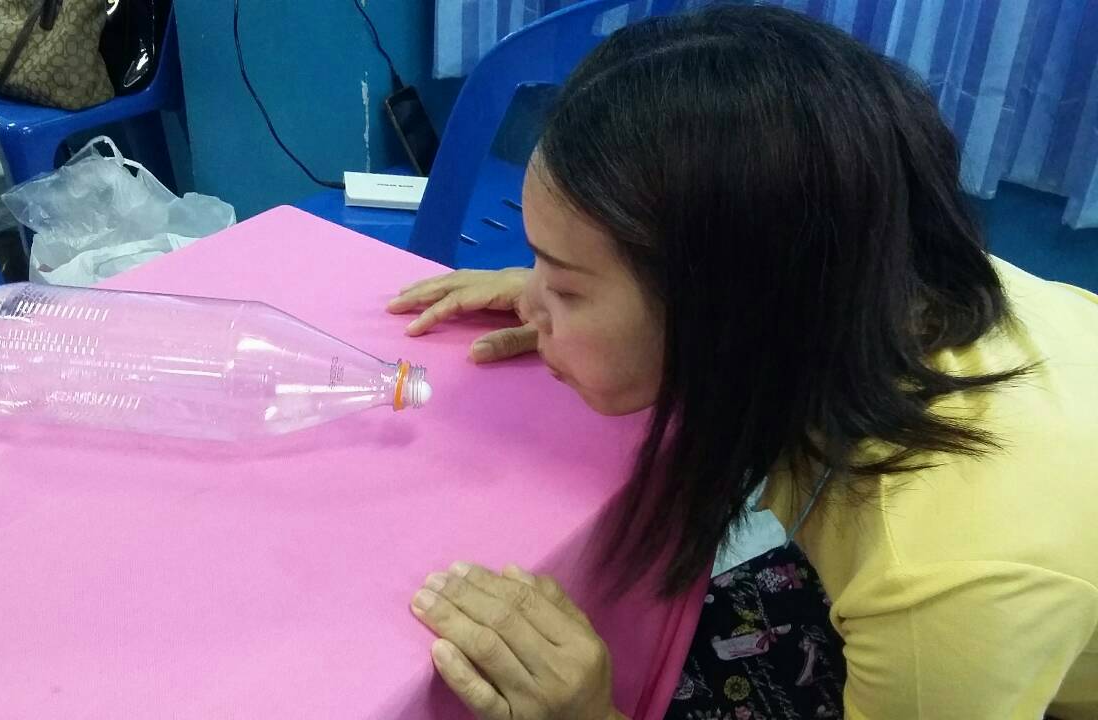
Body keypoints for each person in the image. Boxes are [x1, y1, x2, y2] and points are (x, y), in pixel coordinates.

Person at [386, 6, 1098, 720]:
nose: (533, 303)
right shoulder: (876, 280)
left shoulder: (942, 580)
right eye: (539, 262)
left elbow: (945, 624)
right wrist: (557, 288)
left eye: (567, 287)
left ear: (729, 313)